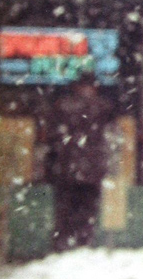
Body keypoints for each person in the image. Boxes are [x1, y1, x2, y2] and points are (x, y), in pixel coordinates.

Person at [47, 72, 115, 251]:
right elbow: (110, 136)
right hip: (90, 170)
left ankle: (65, 245)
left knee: (66, 213)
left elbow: (53, 139)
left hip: (68, 169)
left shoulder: (62, 106)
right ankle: (82, 244)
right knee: (86, 213)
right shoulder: (103, 107)